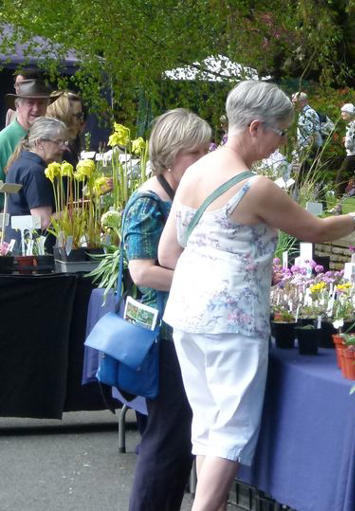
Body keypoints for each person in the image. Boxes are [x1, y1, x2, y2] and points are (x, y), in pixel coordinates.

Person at [157, 80, 355, 511]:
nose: (282, 142)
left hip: (186, 316)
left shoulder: (194, 171)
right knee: (231, 430)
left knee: (209, 425)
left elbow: (167, 252)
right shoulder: (254, 187)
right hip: (232, 323)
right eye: (280, 132)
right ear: (255, 127)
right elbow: (315, 230)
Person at [122, 108, 211, 511]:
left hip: (182, 327)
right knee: (166, 441)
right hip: (162, 336)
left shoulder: (181, 193)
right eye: (195, 152)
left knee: (176, 440)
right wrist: (214, 282)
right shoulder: (147, 202)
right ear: (170, 154)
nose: (203, 160)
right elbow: (142, 273)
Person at [2, 117, 67, 253]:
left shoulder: (19, 163)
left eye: (64, 142)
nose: (64, 147)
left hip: (14, 247)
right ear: (39, 143)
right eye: (58, 142)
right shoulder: (35, 172)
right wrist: (72, 213)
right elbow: (43, 222)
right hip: (31, 254)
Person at [0, 79, 52, 208]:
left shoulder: (52, 138)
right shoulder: (3, 140)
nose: (36, 108)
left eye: (41, 103)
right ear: (17, 106)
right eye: (30, 103)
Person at [46, 90, 86, 167]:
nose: (81, 121)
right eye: (78, 116)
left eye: (82, 115)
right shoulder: (60, 154)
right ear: (64, 117)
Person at [336, 102, 355, 193]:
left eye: (344, 112)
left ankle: (338, 204)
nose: (342, 114)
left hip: (352, 156)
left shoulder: (351, 125)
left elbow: (349, 145)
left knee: (341, 178)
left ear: (350, 113)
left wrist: (345, 141)